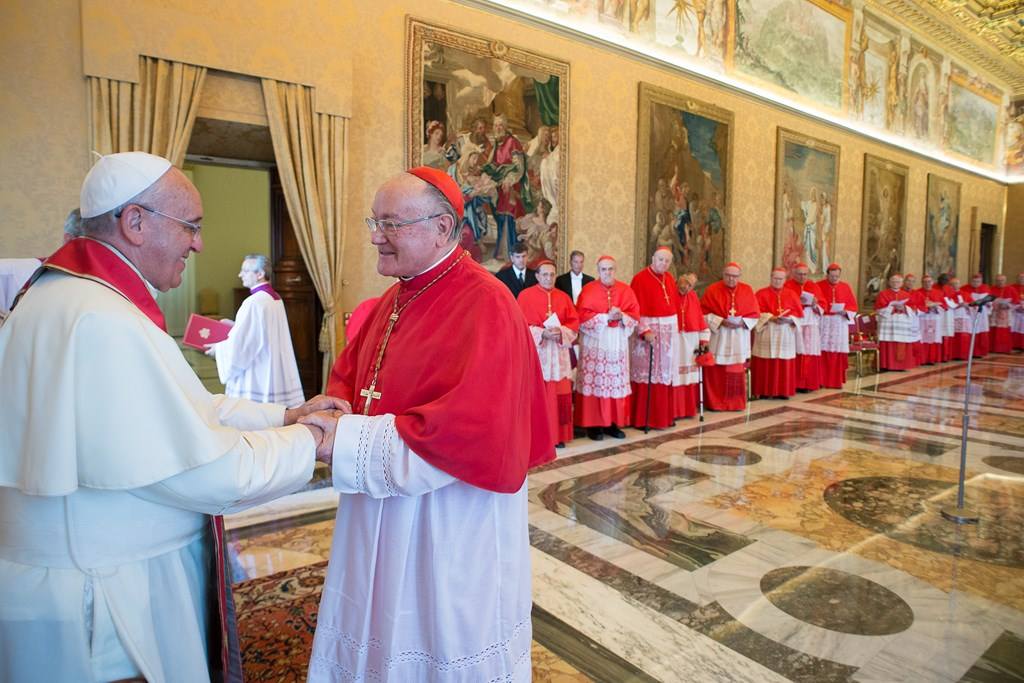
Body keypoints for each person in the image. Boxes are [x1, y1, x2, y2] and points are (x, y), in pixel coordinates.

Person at [0, 151, 345, 683]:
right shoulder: (103, 319)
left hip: (84, 579)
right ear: (135, 223)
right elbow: (207, 472)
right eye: (191, 226)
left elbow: (187, 409)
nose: (200, 243)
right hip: (110, 605)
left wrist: (285, 415)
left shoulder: (68, 298)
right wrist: (311, 439)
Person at [305, 166, 553, 682]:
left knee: (432, 632)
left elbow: (469, 430)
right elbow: (353, 379)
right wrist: (334, 409)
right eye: (375, 221)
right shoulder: (394, 299)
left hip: (445, 519)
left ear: (442, 228)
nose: (376, 235)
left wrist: (346, 440)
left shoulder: (486, 303)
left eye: (391, 223)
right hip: (378, 506)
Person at [207, 254, 305, 407]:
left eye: (245, 271)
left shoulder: (254, 302)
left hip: (258, 371)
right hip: (272, 364)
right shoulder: (274, 297)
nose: (240, 275)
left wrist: (218, 349)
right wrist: (235, 325)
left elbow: (244, 345)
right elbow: (261, 332)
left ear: (259, 274)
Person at [575, 255, 640, 440]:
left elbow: (634, 315)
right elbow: (581, 315)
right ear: (598, 271)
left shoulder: (625, 290)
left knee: (613, 382)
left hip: (617, 340)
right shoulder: (588, 290)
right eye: (603, 269)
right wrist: (605, 318)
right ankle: (594, 426)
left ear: (615, 270)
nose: (607, 272)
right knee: (596, 380)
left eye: (610, 269)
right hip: (596, 341)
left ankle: (612, 423)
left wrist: (621, 316)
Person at [519, 260, 580, 447]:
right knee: (539, 395)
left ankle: (558, 436)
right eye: (544, 274)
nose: (548, 278)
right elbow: (519, 327)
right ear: (537, 276)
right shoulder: (525, 296)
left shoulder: (564, 297)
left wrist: (561, 332)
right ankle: (538, 436)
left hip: (559, 354)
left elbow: (574, 324)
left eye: (552, 274)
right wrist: (541, 333)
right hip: (539, 353)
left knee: (560, 394)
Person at [629, 247, 682, 429]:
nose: (664, 264)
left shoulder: (669, 279)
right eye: (660, 259)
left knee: (664, 373)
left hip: (667, 334)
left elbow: (673, 305)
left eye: (667, 261)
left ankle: (663, 417)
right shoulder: (640, 279)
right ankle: (645, 419)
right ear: (653, 258)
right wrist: (644, 331)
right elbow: (635, 309)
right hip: (648, 334)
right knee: (648, 374)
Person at [700, 262, 759, 411]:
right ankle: (715, 403)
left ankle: (735, 403)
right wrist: (721, 321)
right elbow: (703, 314)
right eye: (728, 275)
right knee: (716, 371)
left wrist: (743, 322)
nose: (731, 279)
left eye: (735, 276)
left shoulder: (747, 290)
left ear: (739, 276)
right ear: (723, 274)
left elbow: (754, 315)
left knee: (735, 371)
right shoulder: (712, 290)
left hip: (738, 338)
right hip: (719, 337)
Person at [752, 268, 803, 399]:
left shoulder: (791, 294)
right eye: (775, 278)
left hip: (785, 332)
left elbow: (799, 315)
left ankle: (783, 391)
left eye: (780, 279)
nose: (777, 281)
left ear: (785, 280)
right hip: (767, 331)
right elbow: (755, 313)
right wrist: (771, 317)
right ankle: (763, 391)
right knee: (766, 361)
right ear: (771, 278)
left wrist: (790, 319)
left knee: (783, 362)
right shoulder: (761, 293)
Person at [485, 114, 529, 260]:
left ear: (505, 127)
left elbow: (519, 167)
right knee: (500, 217)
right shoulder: (497, 145)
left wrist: (509, 180)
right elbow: (493, 165)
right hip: (499, 188)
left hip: (511, 187)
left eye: (500, 125)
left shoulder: (513, 142)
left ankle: (512, 253)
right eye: (495, 125)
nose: (498, 128)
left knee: (509, 216)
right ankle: (502, 251)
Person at [785, 262, 826, 392]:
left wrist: (815, 304)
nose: (802, 277)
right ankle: (795, 383)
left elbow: (823, 305)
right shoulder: (788, 286)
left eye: (805, 274)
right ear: (793, 274)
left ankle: (809, 383)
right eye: (800, 274)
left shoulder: (813, 286)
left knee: (810, 352)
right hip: (795, 323)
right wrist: (797, 302)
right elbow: (784, 304)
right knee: (795, 351)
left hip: (810, 323)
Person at [816, 263, 858, 388]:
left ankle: (835, 380)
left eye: (837, 276)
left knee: (837, 352)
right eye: (832, 276)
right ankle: (822, 380)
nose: (835, 279)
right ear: (827, 274)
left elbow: (853, 306)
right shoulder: (819, 286)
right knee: (822, 351)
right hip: (824, 321)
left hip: (839, 322)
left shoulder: (845, 287)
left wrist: (846, 311)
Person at [676, 273, 710, 416]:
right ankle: (675, 410)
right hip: (675, 339)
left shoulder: (693, 297)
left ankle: (688, 410)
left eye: (691, 285)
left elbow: (700, 319)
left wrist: (703, 340)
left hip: (691, 341)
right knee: (675, 376)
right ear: (679, 281)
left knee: (689, 376)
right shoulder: (670, 294)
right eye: (685, 283)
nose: (687, 287)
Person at [875, 273, 919, 370]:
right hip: (888, 322)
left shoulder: (906, 295)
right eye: (893, 281)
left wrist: (904, 307)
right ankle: (886, 364)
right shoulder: (883, 294)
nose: (895, 283)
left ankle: (901, 365)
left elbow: (913, 308)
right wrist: (892, 307)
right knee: (888, 343)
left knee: (901, 343)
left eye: (898, 281)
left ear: (902, 283)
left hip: (902, 323)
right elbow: (879, 308)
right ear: (889, 282)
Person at [916, 274, 946, 365]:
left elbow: (944, 306)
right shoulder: (917, 292)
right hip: (922, 318)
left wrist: (935, 306)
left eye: (929, 282)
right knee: (922, 338)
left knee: (933, 338)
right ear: (922, 283)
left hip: (934, 318)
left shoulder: (939, 292)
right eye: (925, 282)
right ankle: (922, 359)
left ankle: (932, 359)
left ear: (932, 282)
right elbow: (916, 304)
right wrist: (925, 306)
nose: (927, 283)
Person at [960, 273, 992, 358]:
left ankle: (980, 351)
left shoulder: (986, 288)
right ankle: (971, 352)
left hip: (982, 312)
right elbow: (962, 300)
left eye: (978, 281)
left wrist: (989, 303)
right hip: (970, 313)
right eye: (974, 281)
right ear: (970, 281)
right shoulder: (964, 288)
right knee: (971, 330)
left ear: (981, 281)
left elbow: (990, 301)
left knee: (981, 330)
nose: (976, 283)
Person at [988, 273, 1020, 354]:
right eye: (998, 281)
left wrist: (1008, 305)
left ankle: (1003, 348)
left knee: (1004, 331)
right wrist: (994, 303)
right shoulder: (991, 289)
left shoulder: (1011, 289)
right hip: (994, 313)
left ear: (1005, 281)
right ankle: (992, 348)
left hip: (1005, 314)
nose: (1000, 282)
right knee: (993, 330)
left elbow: (1016, 301)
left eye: (1002, 280)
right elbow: (988, 300)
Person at [902, 274, 926, 365]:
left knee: (914, 341)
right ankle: (904, 360)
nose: (910, 283)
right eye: (908, 281)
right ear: (904, 282)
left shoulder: (918, 294)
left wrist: (916, 310)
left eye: (912, 281)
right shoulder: (899, 292)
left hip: (913, 320)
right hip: (901, 320)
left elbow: (923, 307)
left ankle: (914, 361)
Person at [948, 276, 972, 360]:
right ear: (949, 285)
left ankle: (963, 355)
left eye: (956, 283)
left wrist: (968, 305)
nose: (955, 285)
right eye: (952, 284)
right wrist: (958, 305)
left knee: (964, 337)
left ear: (959, 284)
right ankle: (953, 355)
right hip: (953, 317)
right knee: (955, 337)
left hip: (964, 318)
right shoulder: (948, 295)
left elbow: (973, 305)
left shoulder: (966, 294)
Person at [1012, 272, 1024, 350]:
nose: (1021, 279)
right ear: (1017, 278)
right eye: (1020, 277)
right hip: (1015, 311)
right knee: (1014, 327)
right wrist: (1017, 306)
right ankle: (1014, 344)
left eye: (1023, 278)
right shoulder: (1011, 287)